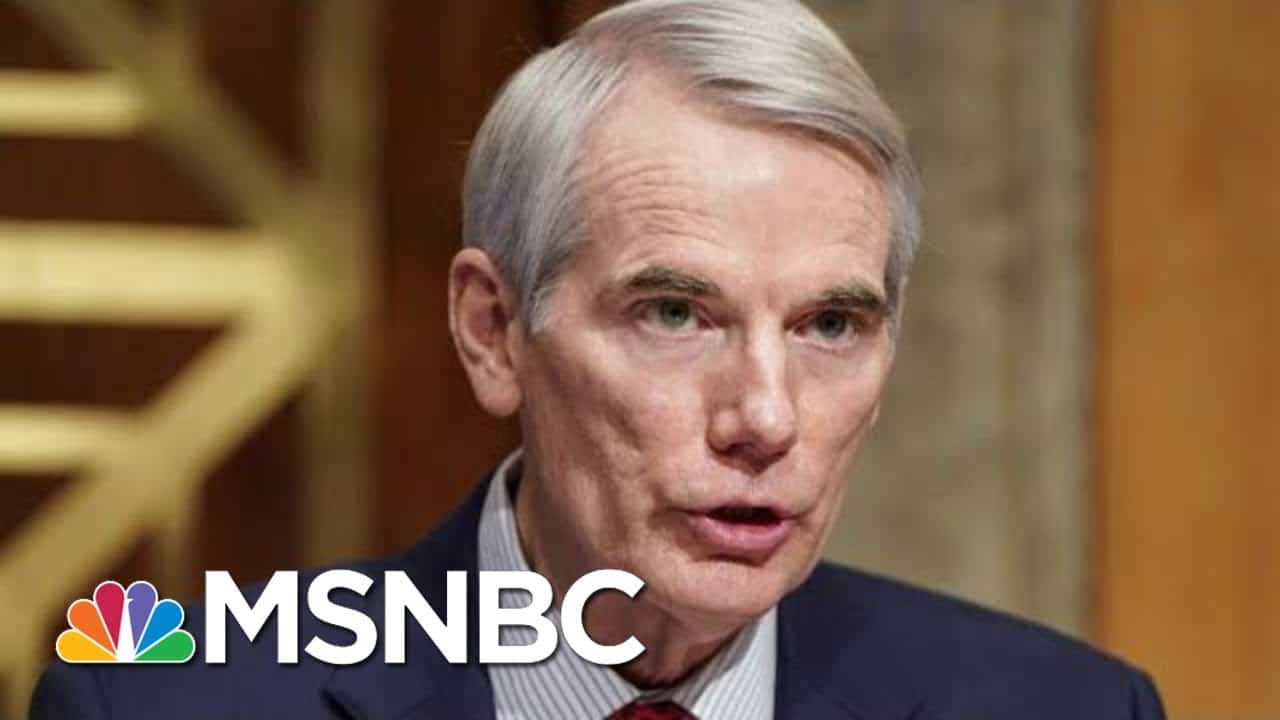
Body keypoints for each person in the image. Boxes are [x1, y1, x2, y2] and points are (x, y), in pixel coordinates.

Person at [31, 1, 1165, 718]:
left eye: (830, 326)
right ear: (492, 331)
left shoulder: (1064, 708)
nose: (766, 416)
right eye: (674, 313)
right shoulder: (164, 706)